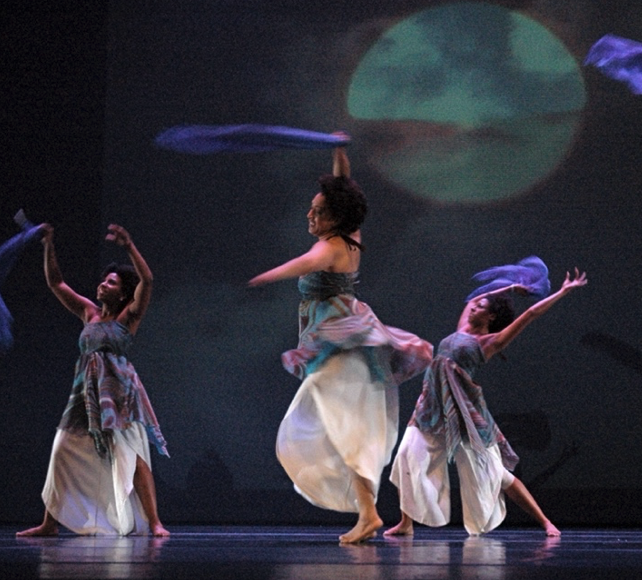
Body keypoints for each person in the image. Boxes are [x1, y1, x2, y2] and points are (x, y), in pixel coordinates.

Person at [248, 143, 432, 544]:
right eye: (312, 208)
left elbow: (305, 264)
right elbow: (344, 184)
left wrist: (266, 276)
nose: (310, 215)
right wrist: (339, 153)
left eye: (319, 210)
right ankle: (368, 514)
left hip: (342, 350)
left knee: (321, 426)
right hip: (346, 349)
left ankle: (368, 514)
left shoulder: (330, 246)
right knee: (343, 430)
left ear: (336, 217)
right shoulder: (350, 235)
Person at [384, 268, 588, 538]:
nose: (473, 307)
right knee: (406, 458)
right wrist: (509, 289)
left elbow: (530, 315)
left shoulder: (489, 342)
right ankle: (406, 523)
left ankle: (545, 522)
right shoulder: (462, 329)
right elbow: (476, 297)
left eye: (480, 307)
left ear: (491, 316)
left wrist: (562, 292)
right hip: (432, 407)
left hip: (464, 413)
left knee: (499, 475)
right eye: (475, 305)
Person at [17, 224, 169, 537]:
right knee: (61, 450)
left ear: (122, 292)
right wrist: (49, 245)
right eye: (103, 280)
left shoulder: (129, 316)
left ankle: (155, 522)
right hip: (84, 393)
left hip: (118, 393)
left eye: (110, 282)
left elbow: (148, 280)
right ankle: (50, 523)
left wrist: (129, 246)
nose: (102, 285)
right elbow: (56, 283)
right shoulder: (89, 313)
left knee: (133, 455)